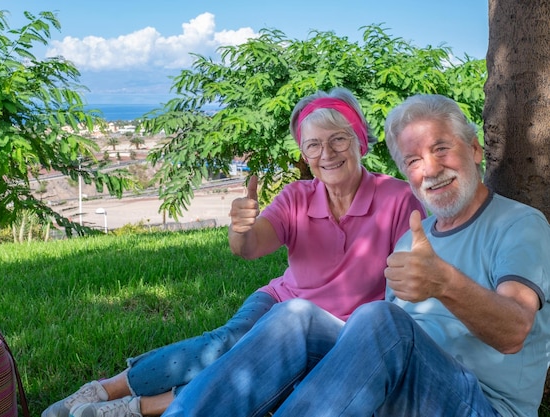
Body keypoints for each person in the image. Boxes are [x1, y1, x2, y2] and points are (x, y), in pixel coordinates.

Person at [41, 87, 425, 417]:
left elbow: (410, 293)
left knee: (265, 374)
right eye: (313, 144)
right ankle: (103, 391)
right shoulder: (297, 197)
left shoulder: (397, 199)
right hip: (281, 303)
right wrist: (241, 228)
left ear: (359, 140)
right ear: (305, 153)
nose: (327, 153)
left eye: (338, 139)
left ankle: (139, 408)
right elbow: (249, 247)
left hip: (342, 331)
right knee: (225, 344)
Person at [161, 94, 550, 417]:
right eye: (413, 160)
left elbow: (515, 331)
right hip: (399, 393)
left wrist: (444, 282)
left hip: (480, 405)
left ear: (475, 148)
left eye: (441, 149)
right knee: (295, 316)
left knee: (382, 320)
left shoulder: (518, 224)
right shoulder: (417, 236)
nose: (430, 169)